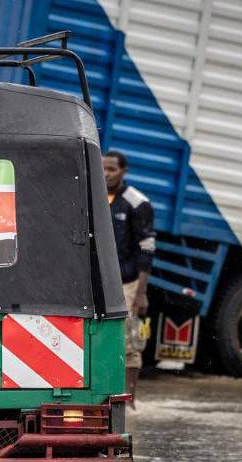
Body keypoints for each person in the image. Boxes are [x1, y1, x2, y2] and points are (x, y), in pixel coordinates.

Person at [104, 149, 156, 407]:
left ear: (124, 171)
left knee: (129, 341)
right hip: (99, 285)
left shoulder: (138, 203)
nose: (106, 173)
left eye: (112, 169)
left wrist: (141, 292)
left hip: (128, 282)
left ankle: (129, 402)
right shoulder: (95, 196)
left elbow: (147, 249)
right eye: (102, 168)